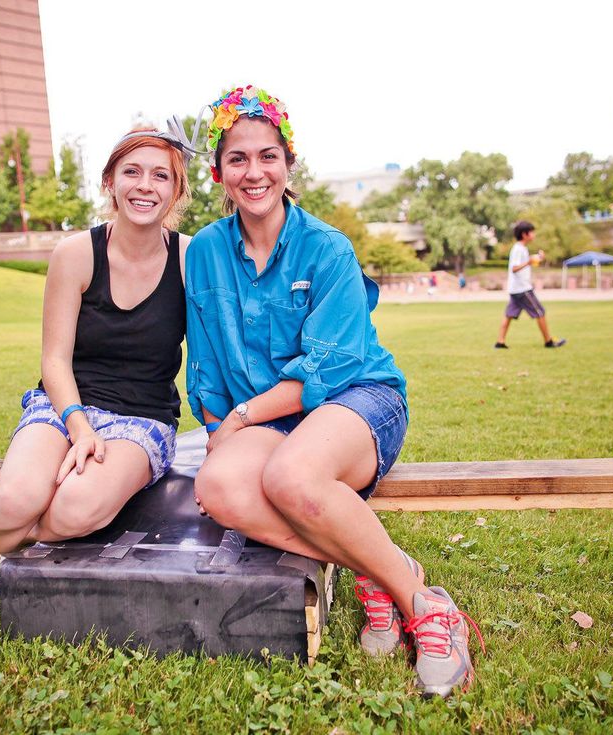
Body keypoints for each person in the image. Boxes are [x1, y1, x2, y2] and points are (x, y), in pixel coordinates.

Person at [185, 85, 482, 698]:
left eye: (267, 156)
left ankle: (426, 607)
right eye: (237, 158)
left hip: (357, 400)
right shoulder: (207, 251)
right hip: (263, 419)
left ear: (289, 163)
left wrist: (241, 418)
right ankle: (373, 570)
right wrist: (220, 433)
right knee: (216, 487)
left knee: (291, 476)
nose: (253, 171)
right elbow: (207, 366)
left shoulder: (327, 248)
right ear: (219, 172)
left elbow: (329, 366)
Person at [0, 126, 196, 625]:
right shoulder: (75, 254)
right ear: (109, 181)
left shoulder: (190, 259)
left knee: (75, 510)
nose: (145, 186)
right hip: (64, 404)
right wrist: (78, 425)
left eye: (160, 176)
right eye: (131, 172)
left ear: (177, 190)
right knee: (17, 497)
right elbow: (55, 361)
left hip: (143, 420)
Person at [494, 221, 565, 349]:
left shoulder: (522, 249)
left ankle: (500, 342)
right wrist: (528, 262)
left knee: (509, 315)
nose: (534, 235)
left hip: (515, 289)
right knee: (540, 312)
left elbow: (527, 262)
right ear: (524, 234)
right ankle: (548, 341)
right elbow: (514, 268)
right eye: (532, 232)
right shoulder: (518, 249)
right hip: (522, 289)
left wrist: (537, 258)